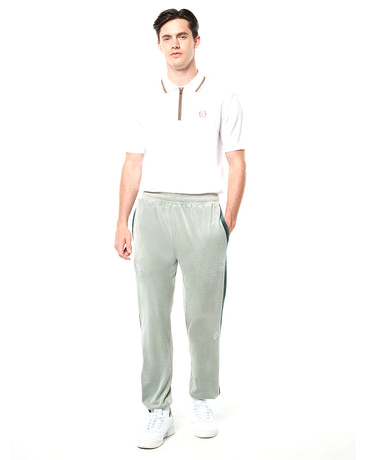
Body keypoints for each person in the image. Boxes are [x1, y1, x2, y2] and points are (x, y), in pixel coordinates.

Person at [114, 8, 246, 449]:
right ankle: (158, 409)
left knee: (203, 316)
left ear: (196, 41)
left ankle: (202, 399)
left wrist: (226, 222)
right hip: (152, 212)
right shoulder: (143, 96)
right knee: (152, 316)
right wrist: (122, 221)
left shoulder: (223, 95)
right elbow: (132, 161)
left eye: (182, 36)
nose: (175, 43)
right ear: (159, 45)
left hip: (204, 212)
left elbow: (237, 162)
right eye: (167, 37)